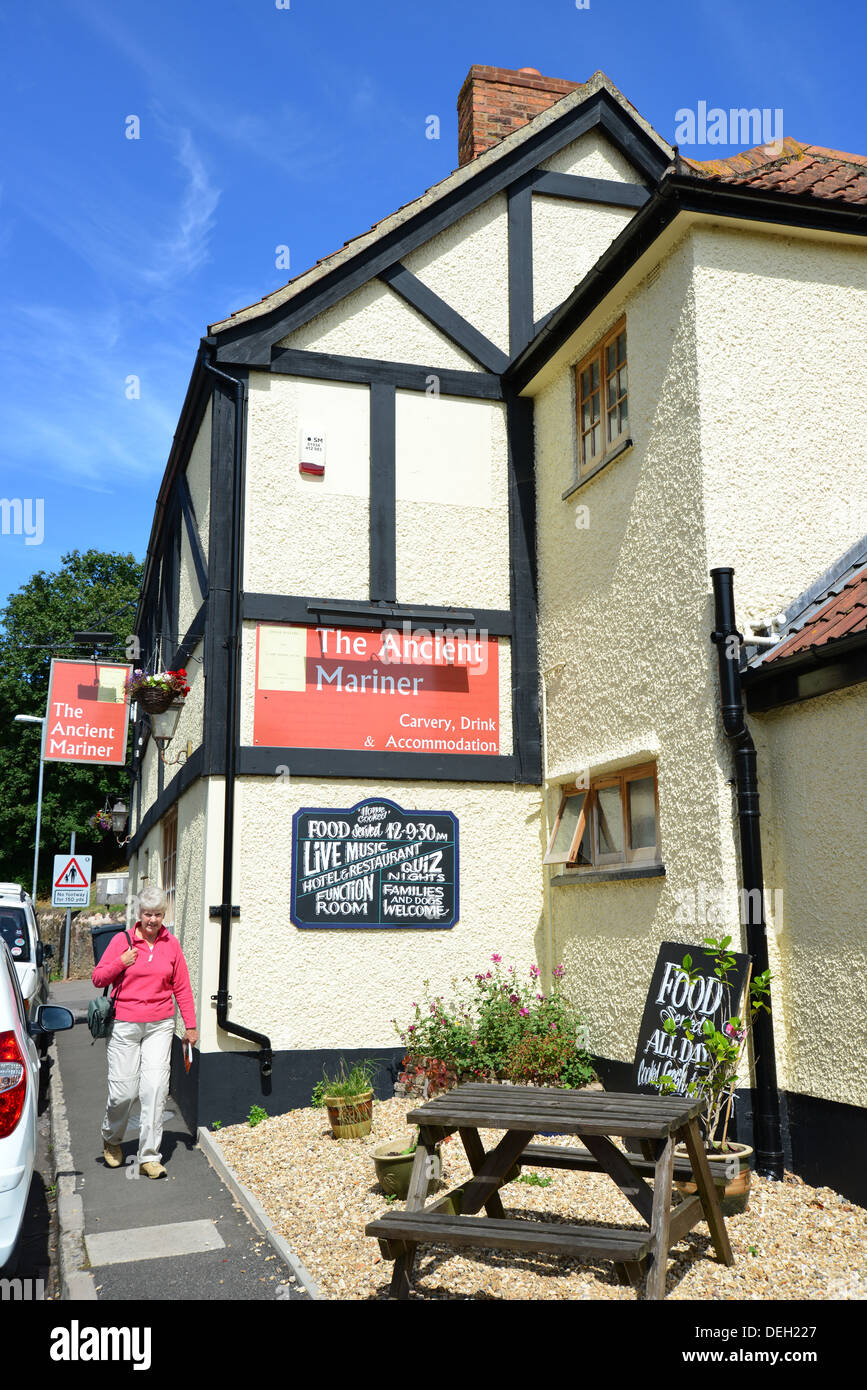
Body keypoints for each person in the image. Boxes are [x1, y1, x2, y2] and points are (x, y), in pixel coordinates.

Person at [92, 886, 198, 1178]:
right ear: (138, 914)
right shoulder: (121, 940)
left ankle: (149, 1155)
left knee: (155, 1089)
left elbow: (182, 987)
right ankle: (112, 1138)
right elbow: (98, 977)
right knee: (123, 1093)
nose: (153, 920)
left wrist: (190, 1025)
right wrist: (120, 962)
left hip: (160, 1026)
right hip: (125, 1024)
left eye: (158, 914)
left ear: (165, 915)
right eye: (148, 914)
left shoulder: (171, 944)